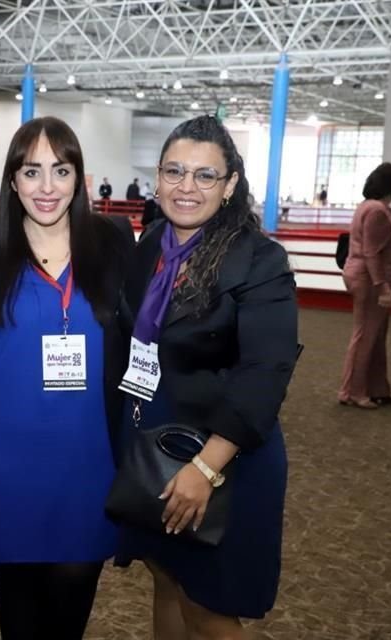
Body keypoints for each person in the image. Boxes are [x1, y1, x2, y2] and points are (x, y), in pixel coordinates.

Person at [116, 115, 298, 638]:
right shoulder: (150, 243)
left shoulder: (259, 259)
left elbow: (266, 373)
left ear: (231, 184)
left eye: (204, 175)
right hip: (155, 442)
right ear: (157, 177)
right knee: (166, 577)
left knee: (210, 606)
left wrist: (205, 468)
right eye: (174, 171)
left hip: (225, 452)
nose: (186, 187)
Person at [0, 117, 131, 639]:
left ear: (79, 178)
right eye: (32, 172)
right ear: (12, 180)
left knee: (72, 601)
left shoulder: (115, 244)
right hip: (2, 460)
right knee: (20, 605)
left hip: (88, 456)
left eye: (61, 170)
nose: (47, 187)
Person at [337, 162, 391, 409]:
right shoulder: (377, 210)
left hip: (368, 275)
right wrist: (383, 287)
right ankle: (353, 391)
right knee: (366, 335)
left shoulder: (372, 207)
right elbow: (371, 252)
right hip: (370, 279)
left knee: (376, 336)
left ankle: (378, 388)